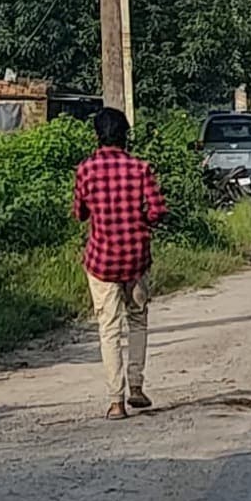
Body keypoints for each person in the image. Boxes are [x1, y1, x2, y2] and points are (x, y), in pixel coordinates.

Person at [73, 107, 166, 419]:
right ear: (125, 135)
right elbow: (157, 210)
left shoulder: (85, 170)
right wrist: (142, 220)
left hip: (101, 259)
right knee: (137, 319)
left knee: (109, 328)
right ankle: (137, 386)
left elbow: (80, 213)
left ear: (98, 135)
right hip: (136, 257)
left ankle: (116, 401)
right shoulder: (141, 168)